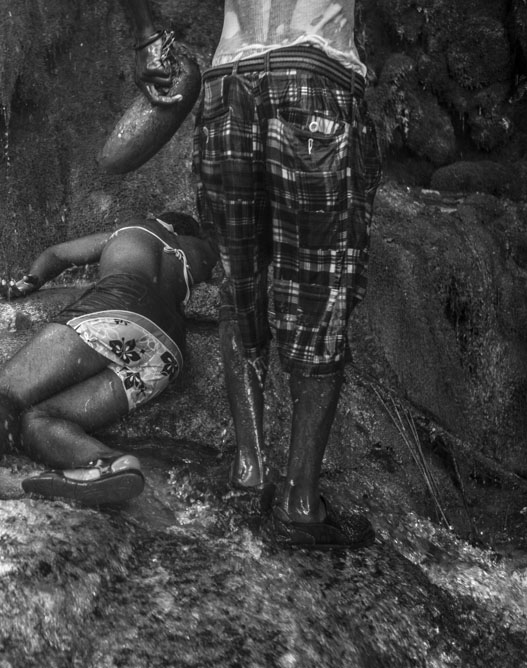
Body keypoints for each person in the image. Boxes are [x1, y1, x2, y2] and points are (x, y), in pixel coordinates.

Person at [121, 0, 383, 549]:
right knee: (320, 292)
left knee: (240, 287)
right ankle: (300, 505)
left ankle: (250, 469)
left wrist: (148, 36)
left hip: (228, 84)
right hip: (315, 73)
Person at [0, 212, 219, 507]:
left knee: (0, 394)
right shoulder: (201, 253)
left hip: (118, 311)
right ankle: (109, 464)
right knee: (36, 421)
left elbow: (57, 254)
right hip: (167, 352)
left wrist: (28, 283)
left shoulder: (134, 228)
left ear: (160, 220)